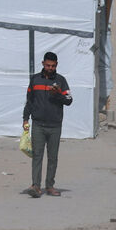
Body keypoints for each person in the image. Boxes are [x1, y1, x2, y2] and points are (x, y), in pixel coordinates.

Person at [22, 52, 72, 198]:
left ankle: (50, 186)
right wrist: (25, 119)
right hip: (38, 124)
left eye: (53, 66)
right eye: (48, 65)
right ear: (43, 63)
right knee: (37, 155)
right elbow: (29, 101)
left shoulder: (61, 81)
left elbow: (69, 100)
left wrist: (57, 94)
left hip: (55, 125)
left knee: (53, 157)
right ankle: (35, 186)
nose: (50, 68)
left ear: (57, 65)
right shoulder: (35, 79)